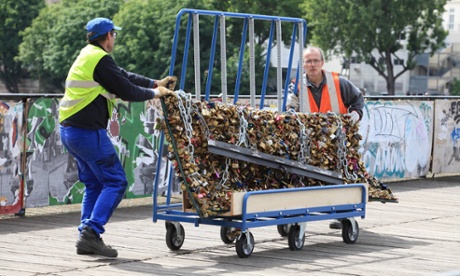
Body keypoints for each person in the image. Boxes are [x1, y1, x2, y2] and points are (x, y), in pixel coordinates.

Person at [59, 17, 176, 257]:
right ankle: (91, 233)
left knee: (94, 183)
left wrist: (155, 81)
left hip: (70, 131)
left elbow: (124, 76)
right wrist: (157, 92)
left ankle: (86, 235)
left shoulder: (89, 55)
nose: (115, 38)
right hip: (88, 133)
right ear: (108, 35)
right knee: (116, 182)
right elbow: (127, 90)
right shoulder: (99, 60)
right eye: (115, 34)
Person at [286, 46, 364, 230]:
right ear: (303, 64)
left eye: (315, 61)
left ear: (322, 63)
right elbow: (290, 108)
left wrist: (354, 116)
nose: (312, 65)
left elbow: (358, 100)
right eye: (308, 61)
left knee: (340, 176)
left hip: (338, 141)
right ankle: (298, 212)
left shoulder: (339, 82)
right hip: (308, 142)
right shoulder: (296, 86)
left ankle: (343, 214)